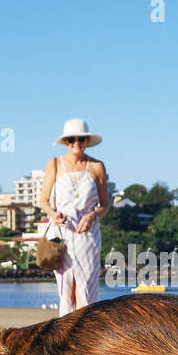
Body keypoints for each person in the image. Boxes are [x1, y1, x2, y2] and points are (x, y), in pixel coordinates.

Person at [40, 117, 110, 316]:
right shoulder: (54, 164)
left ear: (87, 141)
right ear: (65, 142)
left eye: (81, 139)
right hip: (62, 233)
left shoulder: (97, 166)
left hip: (87, 233)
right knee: (66, 290)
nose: (76, 144)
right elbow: (43, 201)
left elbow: (105, 204)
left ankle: (84, 337)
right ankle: (65, 338)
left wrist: (93, 216)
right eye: (71, 140)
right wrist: (54, 215)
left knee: (85, 288)